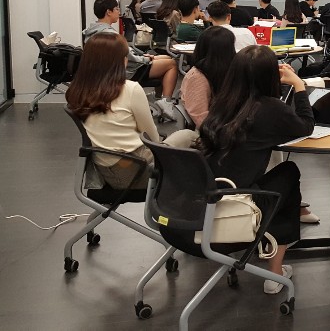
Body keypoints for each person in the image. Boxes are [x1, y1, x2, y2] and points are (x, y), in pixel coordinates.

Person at [198, 46, 316, 294]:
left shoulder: (222, 102)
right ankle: (274, 273)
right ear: (270, 76)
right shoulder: (270, 108)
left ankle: (270, 253)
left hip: (203, 198)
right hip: (238, 202)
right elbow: (306, 126)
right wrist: (299, 85)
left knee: (279, 180)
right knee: (288, 174)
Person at [65, 33, 197, 189]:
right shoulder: (129, 89)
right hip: (135, 171)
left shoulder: (79, 90)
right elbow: (152, 138)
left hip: (105, 169)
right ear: (121, 61)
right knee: (189, 136)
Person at [82, 0, 179, 121]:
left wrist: (145, 57)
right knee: (171, 63)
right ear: (108, 12)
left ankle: (160, 99)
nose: (119, 12)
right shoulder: (111, 34)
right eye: (117, 9)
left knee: (164, 57)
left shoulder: (90, 32)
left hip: (107, 72)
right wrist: (146, 59)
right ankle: (166, 101)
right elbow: (128, 57)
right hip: (126, 71)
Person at [181, 26, 236, 126]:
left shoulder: (226, 71)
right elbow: (200, 117)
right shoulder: (197, 77)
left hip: (228, 123)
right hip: (215, 129)